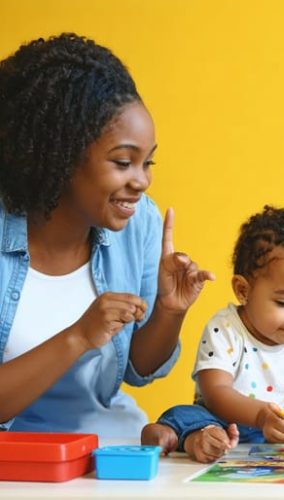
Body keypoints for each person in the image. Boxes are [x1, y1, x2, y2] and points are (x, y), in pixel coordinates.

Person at [0, 33, 213, 437]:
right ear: (58, 154)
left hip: (105, 451)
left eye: (147, 162)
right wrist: (78, 336)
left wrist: (171, 311)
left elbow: (140, 368)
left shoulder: (139, 223)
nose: (142, 181)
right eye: (123, 162)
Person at [142, 206, 284, 463]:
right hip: (225, 421)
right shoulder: (225, 328)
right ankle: (184, 436)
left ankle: (194, 438)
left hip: (277, 431)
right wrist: (260, 416)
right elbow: (216, 392)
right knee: (187, 415)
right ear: (243, 290)